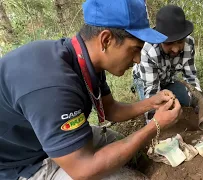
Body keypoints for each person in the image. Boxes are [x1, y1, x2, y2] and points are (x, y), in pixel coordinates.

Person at [0, 0, 181, 179]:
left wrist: (151, 103)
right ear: (106, 39)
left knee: (131, 151)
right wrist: (154, 125)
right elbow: (83, 169)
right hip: (24, 163)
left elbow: (111, 110)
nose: (138, 60)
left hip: (48, 137)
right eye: (135, 49)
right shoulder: (53, 85)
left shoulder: (84, 62)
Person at [132, 5, 201, 123]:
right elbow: (151, 93)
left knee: (190, 100)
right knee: (159, 110)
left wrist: (200, 100)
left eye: (180, 42)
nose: (175, 49)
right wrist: (155, 126)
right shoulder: (148, 51)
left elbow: (190, 76)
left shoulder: (189, 44)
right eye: (169, 43)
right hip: (145, 81)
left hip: (168, 79)